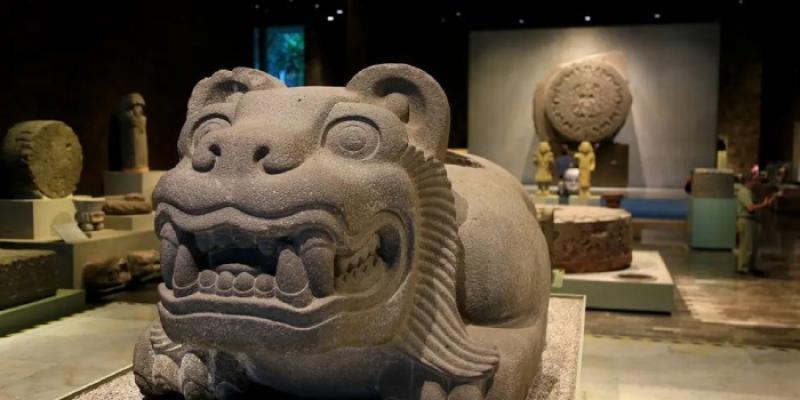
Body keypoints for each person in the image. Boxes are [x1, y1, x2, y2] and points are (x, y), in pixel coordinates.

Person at [736, 173, 775, 277]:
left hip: (753, 220)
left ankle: (751, 266)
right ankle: (742, 267)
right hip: (746, 220)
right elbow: (750, 208)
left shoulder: (751, 192)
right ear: (748, 181)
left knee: (753, 246)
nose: (756, 183)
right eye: (754, 180)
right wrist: (763, 204)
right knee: (746, 245)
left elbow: (756, 206)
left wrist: (767, 203)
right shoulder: (744, 192)